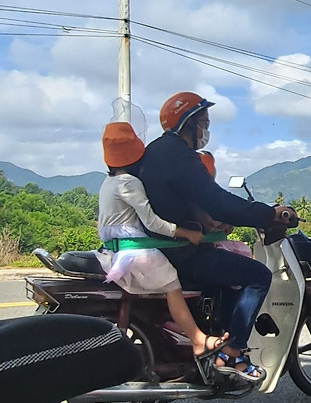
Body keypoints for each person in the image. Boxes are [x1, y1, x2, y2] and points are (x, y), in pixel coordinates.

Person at [134, 92, 297, 383]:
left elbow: (176, 199)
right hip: (180, 252)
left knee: (229, 275)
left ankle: (218, 340)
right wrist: (268, 214)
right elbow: (217, 200)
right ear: (188, 123)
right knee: (258, 275)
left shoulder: (157, 151)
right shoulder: (179, 155)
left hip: (163, 248)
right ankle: (233, 353)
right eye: (204, 123)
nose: (206, 131)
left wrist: (205, 219)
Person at [96, 120, 226, 362]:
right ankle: (198, 339)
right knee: (172, 284)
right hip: (135, 251)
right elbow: (153, 223)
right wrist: (186, 233)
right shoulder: (130, 183)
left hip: (114, 251)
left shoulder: (108, 183)